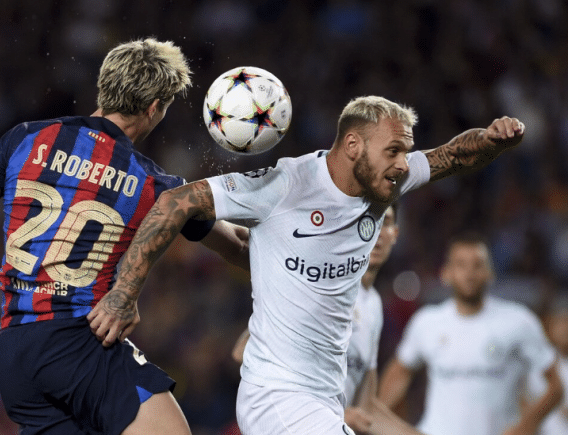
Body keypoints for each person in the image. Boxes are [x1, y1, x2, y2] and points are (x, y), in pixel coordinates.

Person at [87, 95, 526, 434]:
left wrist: (491, 141)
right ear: (353, 145)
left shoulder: (386, 184)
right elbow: (176, 201)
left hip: (325, 399)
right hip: (276, 396)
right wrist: (124, 292)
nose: (402, 164)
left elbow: (453, 156)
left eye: (405, 153)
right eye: (393, 151)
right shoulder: (286, 185)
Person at [0, 38, 249, 435]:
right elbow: (238, 246)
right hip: (80, 343)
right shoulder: (154, 185)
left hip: (16, 354)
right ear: (154, 108)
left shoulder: (24, 138)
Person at [231, 204, 425, 435]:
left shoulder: (373, 305)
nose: (376, 230)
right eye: (368, 219)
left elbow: (365, 408)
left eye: (386, 222)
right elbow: (243, 352)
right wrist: (337, 414)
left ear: (396, 234)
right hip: (288, 420)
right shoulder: (321, 281)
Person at [378, 233, 563, 435]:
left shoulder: (518, 322)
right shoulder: (427, 322)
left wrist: (526, 425)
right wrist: (377, 417)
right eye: (461, 265)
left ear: (490, 272)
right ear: (446, 273)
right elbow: (399, 372)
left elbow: (556, 386)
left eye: (478, 265)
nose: (469, 273)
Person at [525, 298, 568, 435]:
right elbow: (526, 400)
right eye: (560, 324)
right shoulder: (539, 364)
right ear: (549, 327)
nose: (565, 330)